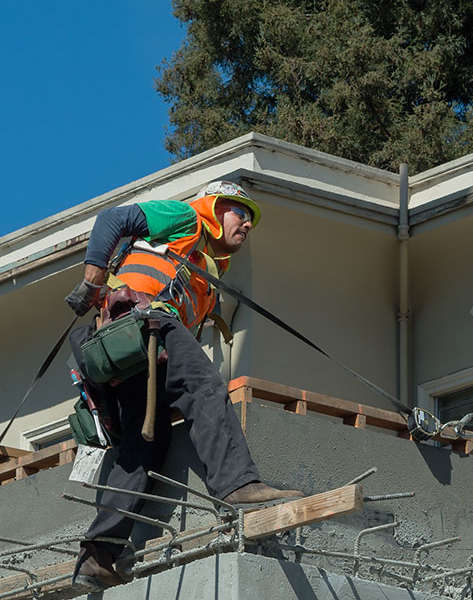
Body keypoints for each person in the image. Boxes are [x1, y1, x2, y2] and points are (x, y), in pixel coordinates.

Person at [65, 181, 303, 590]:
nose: (247, 224)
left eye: (250, 219)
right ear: (214, 206)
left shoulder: (205, 270)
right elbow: (111, 219)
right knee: (205, 387)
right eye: (239, 212)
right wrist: (93, 276)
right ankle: (237, 485)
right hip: (144, 326)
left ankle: (98, 555)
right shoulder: (186, 218)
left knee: (144, 442)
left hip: (136, 349)